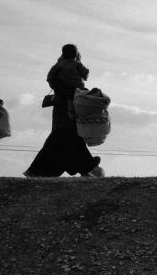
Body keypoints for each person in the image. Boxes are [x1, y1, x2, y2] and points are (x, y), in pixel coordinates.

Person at [25, 44, 102, 177]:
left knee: (64, 138)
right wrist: (78, 61)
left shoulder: (57, 66)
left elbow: (50, 79)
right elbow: (86, 74)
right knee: (69, 137)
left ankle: (84, 168)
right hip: (71, 106)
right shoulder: (76, 65)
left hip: (61, 106)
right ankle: (87, 167)